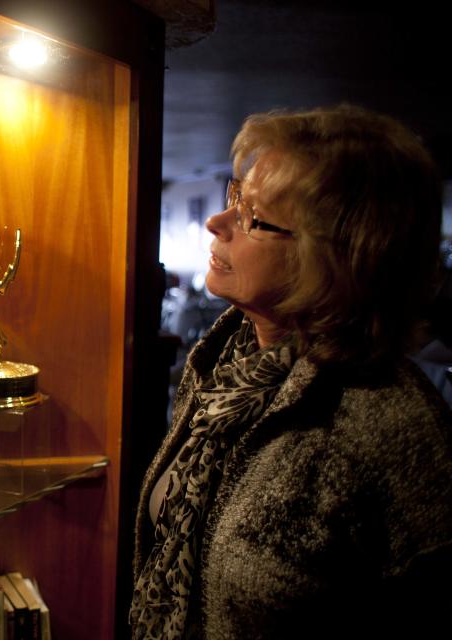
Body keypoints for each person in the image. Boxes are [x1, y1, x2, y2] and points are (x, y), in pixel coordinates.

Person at [129, 105, 452, 639]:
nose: (217, 221)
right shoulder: (227, 363)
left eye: (253, 217)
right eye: (237, 195)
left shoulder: (395, 432)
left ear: (336, 258)